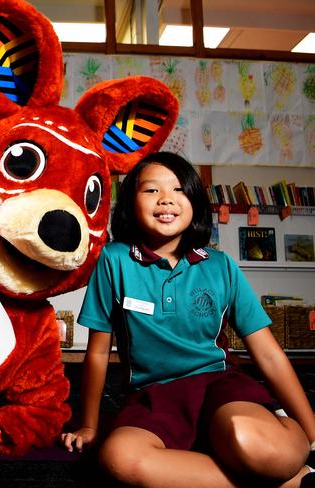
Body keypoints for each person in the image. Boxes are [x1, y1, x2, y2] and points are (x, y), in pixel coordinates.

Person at [61, 151, 315, 487]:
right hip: (153, 396)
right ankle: (291, 481)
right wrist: (90, 426)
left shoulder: (220, 265)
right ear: (129, 204)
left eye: (179, 189)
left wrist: (313, 434)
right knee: (120, 459)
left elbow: (268, 354)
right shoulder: (114, 259)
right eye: (151, 190)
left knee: (255, 444)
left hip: (219, 384)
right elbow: (97, 352)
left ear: (194, 200)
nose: (166, 199)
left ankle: (286, 439)